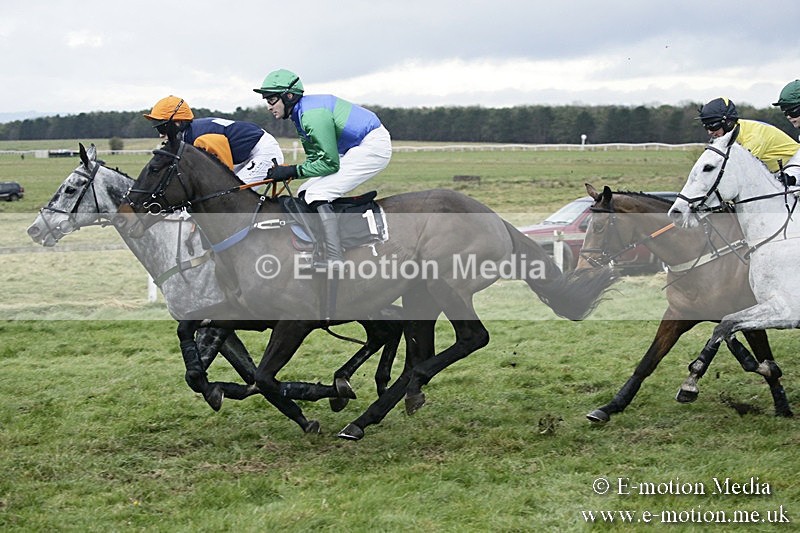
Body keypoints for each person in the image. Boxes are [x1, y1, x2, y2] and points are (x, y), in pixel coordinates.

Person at [253, 69, 392, 270]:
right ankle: (319, 244)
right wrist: (288, 171)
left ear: (289, 96)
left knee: (317, 193)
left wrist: (292, 171)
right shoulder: (299, 115)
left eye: (272, 100)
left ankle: (335, 257)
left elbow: (330, 164)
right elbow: (315, 159)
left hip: (372, 146)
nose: (269, 106)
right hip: (353, 147)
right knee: (304, 191)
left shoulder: (312, 115)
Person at [144, 95, 283, 185]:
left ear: (177, 123)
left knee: (231, 195)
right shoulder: (190, 134)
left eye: (161, 128)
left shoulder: (201, 138)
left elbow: (223, 174)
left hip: (264, 153)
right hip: (247, 154)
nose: (161, 135)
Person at [696, 97, 799, 174]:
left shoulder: (753, 137)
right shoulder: (735, 132)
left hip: (795, 168)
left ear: (727, 122)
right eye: (706, 127)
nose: (709, 132)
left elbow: (740, 172)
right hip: (779, 172)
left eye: (712, 126)